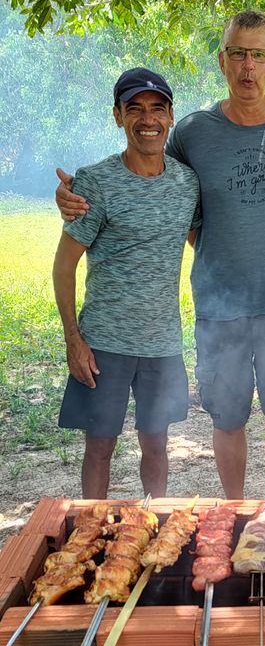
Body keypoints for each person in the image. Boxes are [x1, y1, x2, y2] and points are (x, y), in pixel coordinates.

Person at [56, 10, 265, 500]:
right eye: (238, 53)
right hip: (217, 307)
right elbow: (150, 174)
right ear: (222, 61)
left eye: (259, 55)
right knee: (228, 416)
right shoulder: (194, 132)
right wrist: (74, 196)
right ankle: (236, 511)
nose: (248, 66)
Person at [53, 68, 200, 498]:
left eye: (157, 109)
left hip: (163, 343)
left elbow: (200, 241)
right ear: (118, 116)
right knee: (99, 448)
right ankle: (91, 536)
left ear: (171, 117)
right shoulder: (95, 183)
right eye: (134, 109)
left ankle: (152, 531)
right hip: (104, 344)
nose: (146, 119)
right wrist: (73, 341)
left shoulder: (186, 183)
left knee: (156, 446)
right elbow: (64, 268)